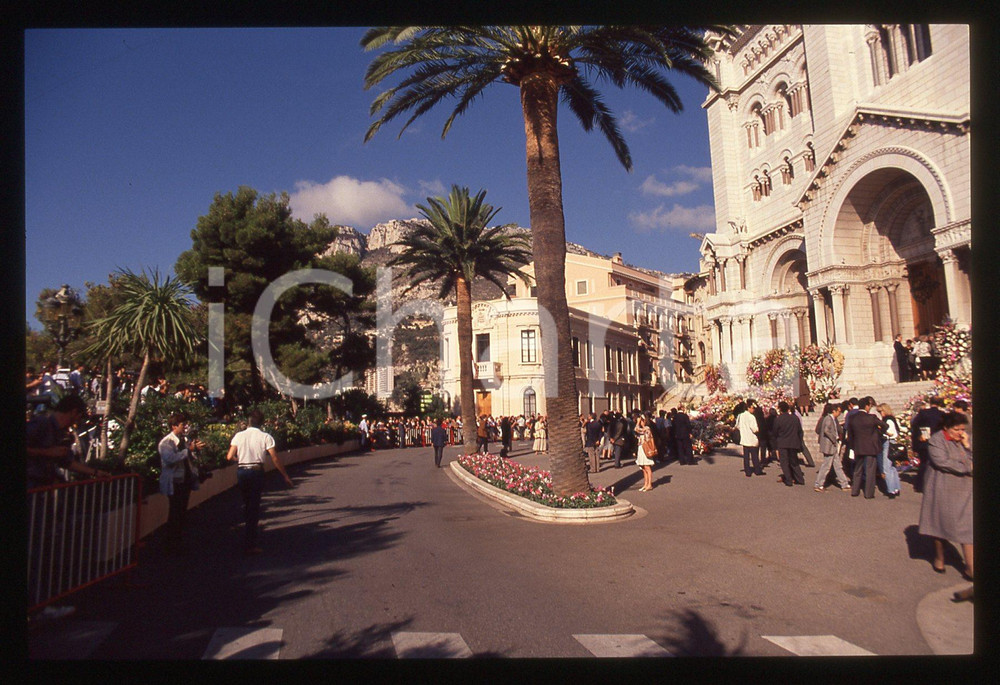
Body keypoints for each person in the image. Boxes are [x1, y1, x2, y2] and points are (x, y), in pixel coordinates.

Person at [226, 409, 294, 554]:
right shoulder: (265, 437)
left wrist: (241, 459)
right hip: (256, 471)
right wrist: (285, 476)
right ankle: (250, 543)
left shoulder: (239, 435)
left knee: (246, 503)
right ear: (261, 422)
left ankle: (246, 534)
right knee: (254, 506)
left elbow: (229, 456)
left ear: (248, 421)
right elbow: (274, 458)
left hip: (242, 471)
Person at [918, 411, 973, 580]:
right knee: (940, 526)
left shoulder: (964, 440)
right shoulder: (937, 440)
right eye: (957, 429)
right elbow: (941, 461)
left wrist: (967, 446)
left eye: (962, 429)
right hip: (942, 488)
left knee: (968, 529)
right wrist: (967, 466)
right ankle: (939, 558)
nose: (960, 433)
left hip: (964, 490)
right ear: (946, 428)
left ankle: (971, 568)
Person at [27, 394, 111, 489]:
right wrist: (47, 452)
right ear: (73, 412)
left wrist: (96, 473)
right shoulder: (41, 423)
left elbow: (67, 462)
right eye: (79, 417)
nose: (77, 422)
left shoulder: (61, 433)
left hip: (43, 487)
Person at [159, 412, 205, 554]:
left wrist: (194, 450)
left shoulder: (183, 440)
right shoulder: (166, 442)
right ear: (174, 426)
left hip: (185, 480)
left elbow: (189, 457)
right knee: (175, 512)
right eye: (182, 424)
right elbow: (170, 459)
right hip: (175, 481)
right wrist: (188, 451)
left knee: (181, 512)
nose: (185, 427)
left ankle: (177, 541)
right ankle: (170, 544)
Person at [848, 397, 884, 499]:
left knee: (857, 470)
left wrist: (852, 446)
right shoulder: (871, 417)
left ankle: (855, 490)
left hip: (858, 447)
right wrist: (878, 432)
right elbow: (884, 425)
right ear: (867, 406)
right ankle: (869, 493)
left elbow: (850, 434)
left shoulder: (853, 418)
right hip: (870, 447)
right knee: (870, 471)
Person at [911, 396, 945, 493]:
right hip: (938, 443)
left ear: (930, 402)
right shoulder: (942, 414)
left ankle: (920, 485)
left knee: (924, 463)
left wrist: (917, 441)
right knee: (936, 464)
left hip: (924, 441)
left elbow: (915, 427)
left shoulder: (923, 413)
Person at [814, 403, 849, 492]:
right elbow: (826, 430)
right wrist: (835, 438)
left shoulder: (832, 419)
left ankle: (844, 483)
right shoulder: (828, 419)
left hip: (832, 446)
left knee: (838, 465)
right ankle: (819, 484)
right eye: (839, 411)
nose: (839, 413)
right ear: (834, 411)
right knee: (826, 466)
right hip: (829, 445)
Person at [771, 401, 805, 487]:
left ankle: (789, 480)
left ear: (780, 409)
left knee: (784, 462)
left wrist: (775, 443)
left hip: (782, 443)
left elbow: (774, 432)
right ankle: (800, 479)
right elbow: (800, 431)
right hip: (793, 442)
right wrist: (799, 441)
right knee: (794, 462)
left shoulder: (779, 419)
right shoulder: (795, 418)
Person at [876, 403, 902, 499]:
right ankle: (896, 487)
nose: (880, 414)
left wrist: (881, 430)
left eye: (881, 411)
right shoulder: (893, 419)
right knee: (892, 467)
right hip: (893, 442)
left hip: (888, 442)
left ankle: (891, 489)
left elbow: (890, 433)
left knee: (886, 467)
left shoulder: (888, 420)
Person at [736, 399, 762, 477]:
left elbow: (738, 426)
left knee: (746, 457)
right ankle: (757, 470)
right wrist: (757, 430)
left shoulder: (740, 416)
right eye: (752, 408)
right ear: (749, 408)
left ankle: (747, 471)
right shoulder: (751, 417)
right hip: (751, 438)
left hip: (744, 438)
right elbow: (754, 429)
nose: (753, 410)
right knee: (754, 456)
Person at [634, 413, 655, 491]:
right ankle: (646, 483)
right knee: (643, 467)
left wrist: (637, 422)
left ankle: (649, 484)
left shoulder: (647, 428)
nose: (641, 422)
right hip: (641, 448)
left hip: (646, 448)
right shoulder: (644, 428)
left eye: (642, 421)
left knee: (647, 466)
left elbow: (636, 429)